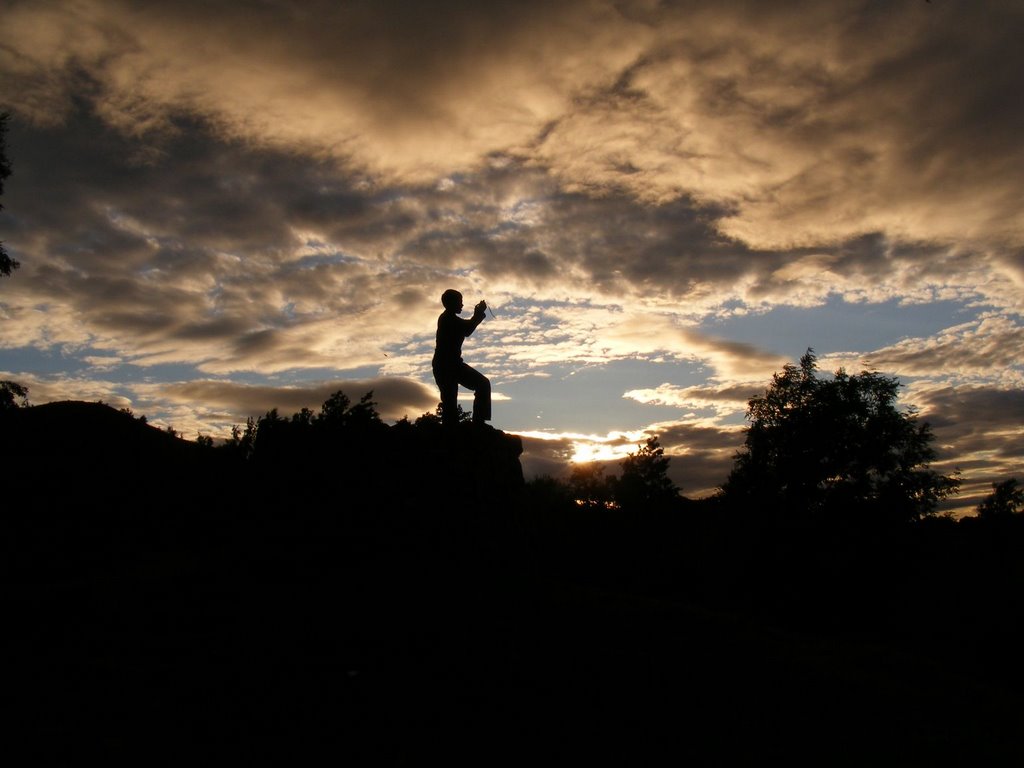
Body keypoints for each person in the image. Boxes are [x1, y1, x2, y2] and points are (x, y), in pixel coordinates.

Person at [432, 288, 491, 427]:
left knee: (452, 401)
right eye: (460, 302)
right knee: (451, 402)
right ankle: (477, 425)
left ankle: (477, 423)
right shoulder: (447, 319)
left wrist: (477, 314)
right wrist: (478, 313)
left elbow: (467, 328)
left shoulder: (448, 319)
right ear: (451, 303)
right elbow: (467, 329)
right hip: (447, 366)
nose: (462, 305)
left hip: (450, 365)